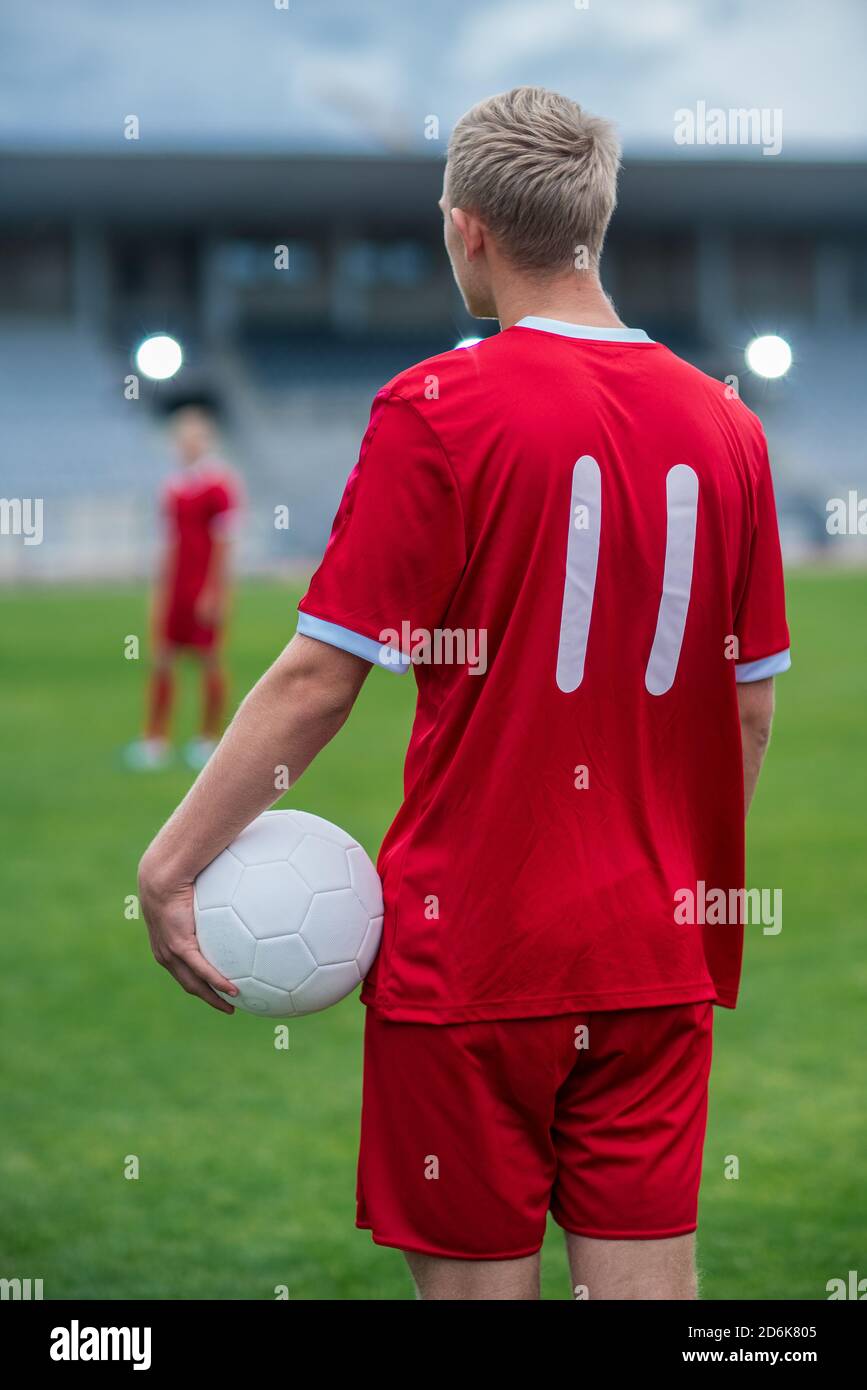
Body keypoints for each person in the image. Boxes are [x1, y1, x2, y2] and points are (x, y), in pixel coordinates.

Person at [138, 87, 790, 1300]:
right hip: (656, 949)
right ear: (598, 215)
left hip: (475, 954)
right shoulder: (728, 426)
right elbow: (747, 710)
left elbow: (322, 675)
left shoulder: (436, 408)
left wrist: (171, 862)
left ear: (468, 226)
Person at [125, 405, 241, 772]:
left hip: (201, 585)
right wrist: (160, 592)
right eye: (181, 439)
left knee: (209, 660)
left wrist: (215, 591)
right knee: (162, 659)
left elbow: (225, 543)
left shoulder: (220, 486)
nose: (186, 446)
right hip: (175, 587)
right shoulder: (173, 489)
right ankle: (155, 739)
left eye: (193, 438)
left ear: (206, 442)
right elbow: (169, 544)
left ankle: (209, 738)